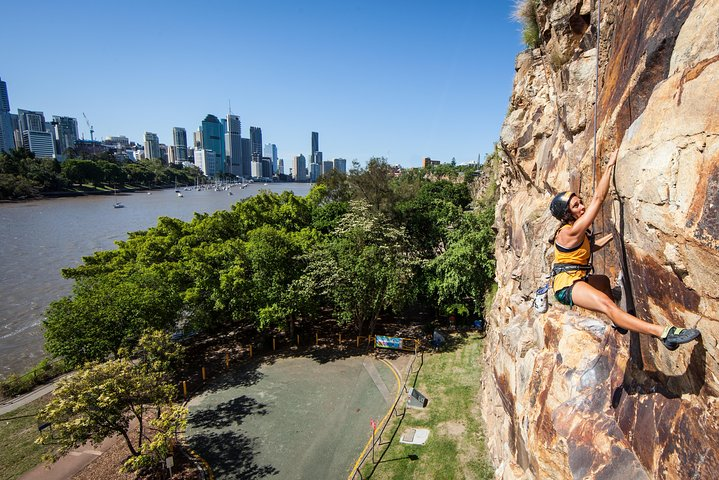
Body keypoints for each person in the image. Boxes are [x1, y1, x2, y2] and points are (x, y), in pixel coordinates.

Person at [549, 151, 700, 350]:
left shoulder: (576, 233)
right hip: (565, 285)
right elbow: (598, 198)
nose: (582, 206)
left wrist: (613, 235)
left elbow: (589, 248)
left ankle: (618, 320)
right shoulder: (568, 232)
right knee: (606, 305)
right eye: (576, 206)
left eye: (580, 202)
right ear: (567, 214)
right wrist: (610, 165)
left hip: (576, 276)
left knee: (602, 281)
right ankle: (664, 333)